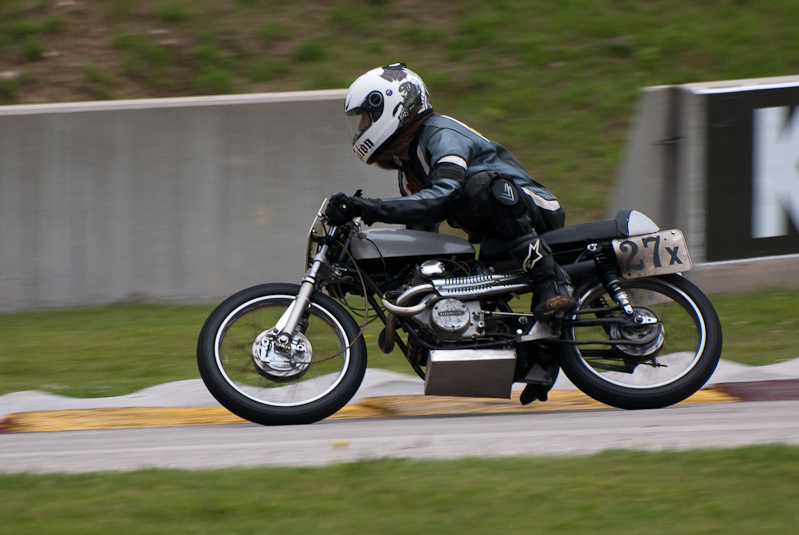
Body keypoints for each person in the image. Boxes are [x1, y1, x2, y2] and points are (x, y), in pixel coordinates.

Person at [325, 63, 575, 321]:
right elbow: (421, 238)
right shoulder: (408, 167)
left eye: (365, 116)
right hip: (495, 234)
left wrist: (371, 208)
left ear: (391, 106)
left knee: (481, 185)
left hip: (535, 208)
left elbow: (443, 197)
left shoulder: (441, 134)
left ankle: (552, 280)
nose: (360, 127)